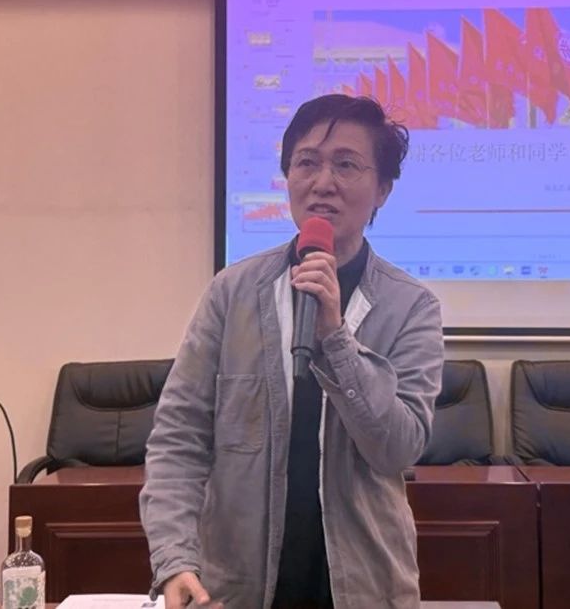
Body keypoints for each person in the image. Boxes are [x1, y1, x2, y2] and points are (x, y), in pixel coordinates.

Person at [139, 94, 444, 609]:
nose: (323, 182)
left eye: (346, 164)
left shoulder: (411, 307)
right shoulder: (232, 293)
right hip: (238, 586)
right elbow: (178, 437)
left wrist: (335, 338)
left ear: (383, 190)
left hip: (365, 588)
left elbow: (398, 448)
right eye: (307, 162)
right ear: (287, 177)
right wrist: (174, 558)